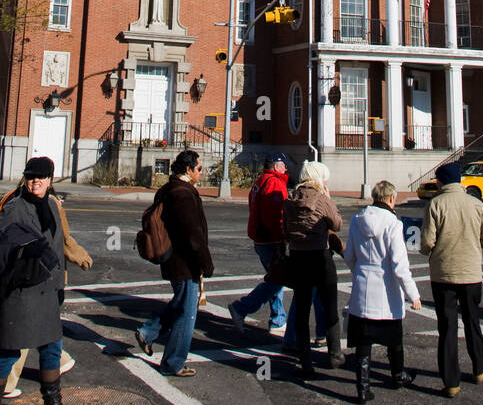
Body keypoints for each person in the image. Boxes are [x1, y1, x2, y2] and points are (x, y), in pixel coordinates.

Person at [0, 156, 85, 405]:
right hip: (20, 291)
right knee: (10, 350)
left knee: (51, 347)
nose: (35, 182)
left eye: (41, 177)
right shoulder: (15, 207)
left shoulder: (52, 205)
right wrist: (24, 247)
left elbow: (59, 244)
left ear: (50, 180)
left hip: (47, 291)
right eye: (31, 177)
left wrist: (60, 285)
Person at [134, 149, 214, 377]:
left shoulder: (170, 188)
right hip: (184, 263)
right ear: (188, 169)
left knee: (180, 304)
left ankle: (148, 333)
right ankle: (173, 362)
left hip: (175, 260)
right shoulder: (183, 194)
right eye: (199, 168)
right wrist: (205, 262)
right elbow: (192, 234)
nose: (201, 172)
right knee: (187, 315)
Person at [420, 161, 483, 397]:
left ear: (442, 181)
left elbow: (426, 243)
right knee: (473, 321)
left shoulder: (435, 204)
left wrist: (430, 249)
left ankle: (451, 381)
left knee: (448, 327)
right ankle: (479, 367)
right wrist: (474, 245)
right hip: (471, 272)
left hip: (443, 274)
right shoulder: (476, 204)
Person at [344, 180, 423, 404]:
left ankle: (362, 388)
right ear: (390, 199)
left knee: (363, 341)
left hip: (362, 285)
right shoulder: (393, 223)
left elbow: (349, 254)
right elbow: (399, 264)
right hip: (386, 289)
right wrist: (413, 294)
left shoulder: (357, 220)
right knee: (394, 338)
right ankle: (398, 376)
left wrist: (359, 271)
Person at [283, 160, 343, 377]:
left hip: (298, 257)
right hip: (320, 256)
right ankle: (335, 353)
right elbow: (337, 224)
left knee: (301, 308)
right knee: (329, 306)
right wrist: (328, 199)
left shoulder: (290, 199)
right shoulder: (320, 198)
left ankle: (304, 359)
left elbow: (285, 230)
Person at [228, 154, 290, 336]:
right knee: (276, 279)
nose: (286, 168)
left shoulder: (261, 180)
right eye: (284, 165)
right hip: (270, 239)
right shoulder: (273, 183)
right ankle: (243, 308)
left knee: (275, 278)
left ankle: (277, 319)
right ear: (277, 166)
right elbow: (275, 215)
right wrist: (280, 238)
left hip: (261, 237)